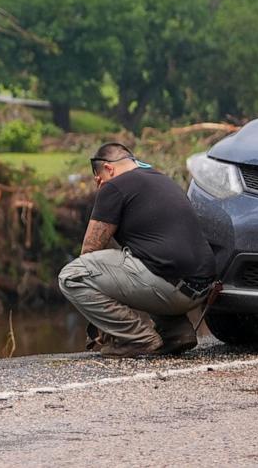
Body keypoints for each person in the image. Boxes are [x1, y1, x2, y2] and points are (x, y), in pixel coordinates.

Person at [58, 142, 217, 358]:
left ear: (109, 168)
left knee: (72, 276)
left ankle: (136, 337)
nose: (99, 184)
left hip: (170, 289)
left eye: (98, 178)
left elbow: (90, 251)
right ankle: (176, 332)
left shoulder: (114, 186)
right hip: (201, 289)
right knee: (144, 255)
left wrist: (102, 321)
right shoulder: (162, 180)